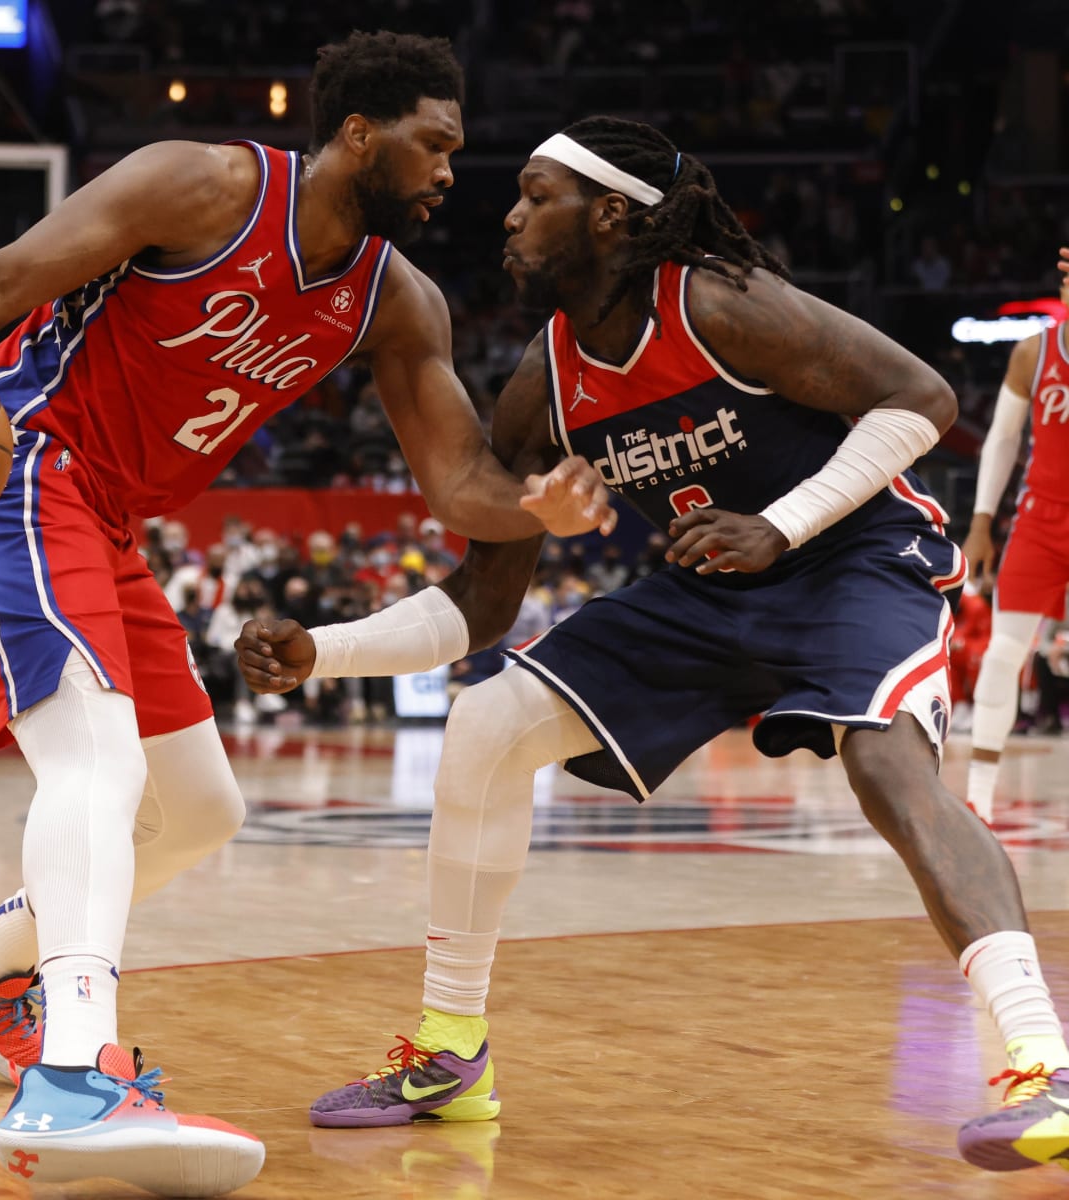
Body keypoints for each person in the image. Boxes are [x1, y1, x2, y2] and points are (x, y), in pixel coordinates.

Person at [236, 118, 1069, 1172]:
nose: (509, 216)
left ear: (610, 216)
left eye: (536, 195)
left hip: (853, 561)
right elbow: (481, 606)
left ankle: (1045, 1064)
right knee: (485, 722)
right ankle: (449, 1054)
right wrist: (324, 650)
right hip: (711, 589)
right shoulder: (542, 384)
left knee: (889, 770)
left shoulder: (717, 303)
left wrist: (781, 525)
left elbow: (922, 401)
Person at [0, 32, 614, 1196]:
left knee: (201, 810)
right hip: (17, 463)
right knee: (97, 762)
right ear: (359, 133)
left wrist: (537, 506)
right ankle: (73, 1078)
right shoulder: (205, 186)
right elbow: (5, 279)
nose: (448, 171)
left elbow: (456, 483)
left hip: (107, 521)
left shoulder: (396, 301)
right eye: (433, 144)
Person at [962, 249, 1069, 825]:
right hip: (1041, 519)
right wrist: (981, 522)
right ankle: (978, 800)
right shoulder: (1034, 350)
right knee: (1003, 653)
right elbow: (1002, 440)